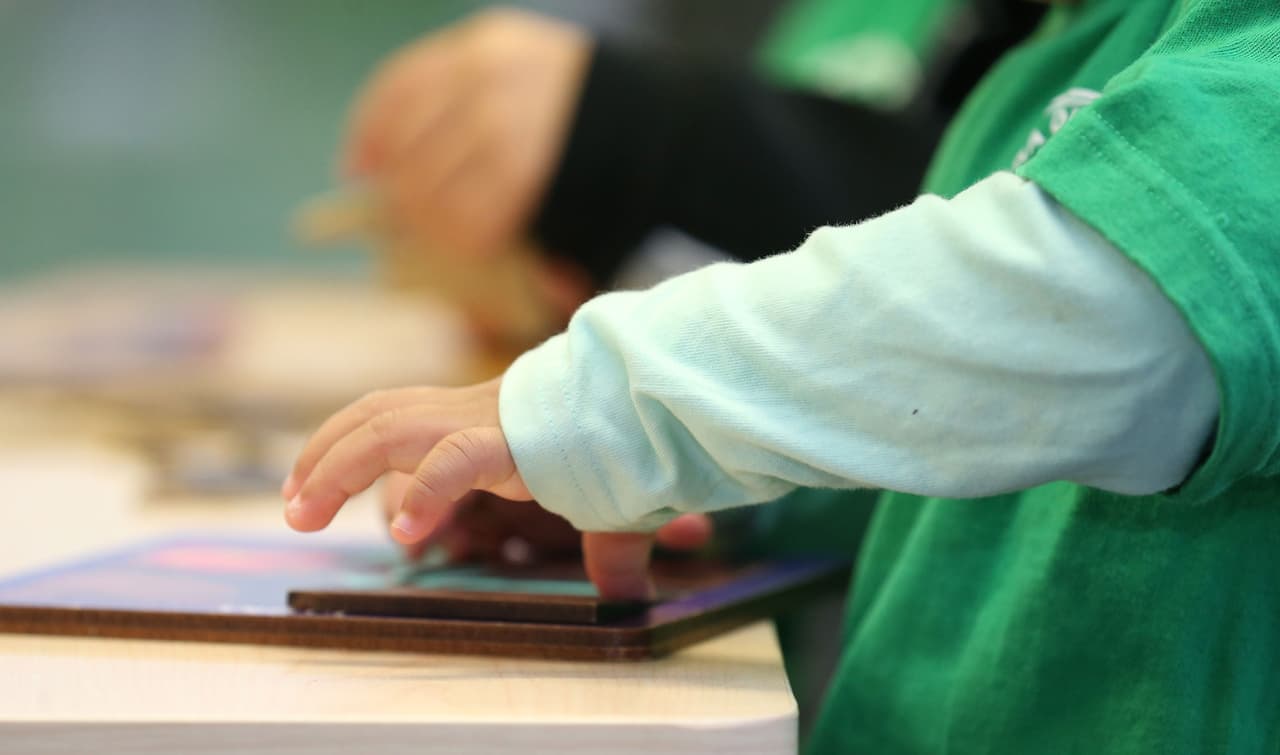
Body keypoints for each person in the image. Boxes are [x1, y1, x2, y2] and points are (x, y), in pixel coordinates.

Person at [286, 0, 1280, 751]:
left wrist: (609, 409)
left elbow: (1115, 307)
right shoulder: (1073, 42)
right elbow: (985, 436)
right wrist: (705, 494)